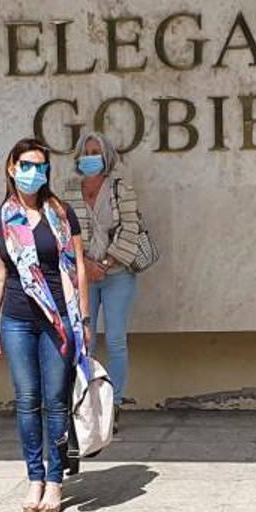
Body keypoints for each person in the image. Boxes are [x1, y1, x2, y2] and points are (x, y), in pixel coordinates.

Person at [0, 139, 89, 512]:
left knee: (56, 402)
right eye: (27, 164)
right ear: (11, 167)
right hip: (16, 320)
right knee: (27, 400)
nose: (34, 172)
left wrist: (85, 320)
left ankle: (56, 481)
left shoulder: (62, 214)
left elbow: (77, 268)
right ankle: (35, 477)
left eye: (41, 166)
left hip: (58, 320)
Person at [63, 132, 141, 422]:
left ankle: (115, 403)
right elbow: (63, 232)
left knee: (116, 339)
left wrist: (105, 263)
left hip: (117, 274)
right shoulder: (69, 190)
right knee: (85, 340)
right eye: (86, 152)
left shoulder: (121, 188)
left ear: (106, 156)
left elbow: (130, 228)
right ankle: (85, 399)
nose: (90, 157)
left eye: (96, 151)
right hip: (83, 275)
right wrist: (85, 263)